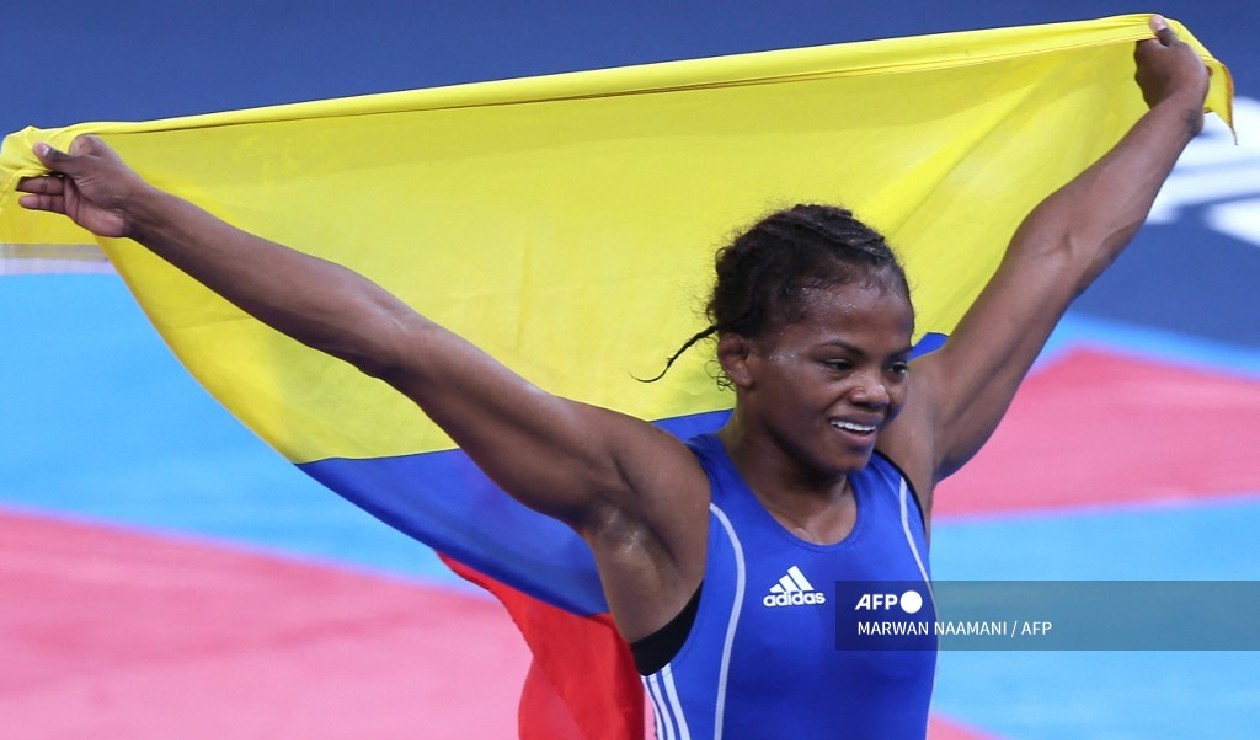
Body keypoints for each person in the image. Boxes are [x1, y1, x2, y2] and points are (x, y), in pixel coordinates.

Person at [16, 15, 1208, 739]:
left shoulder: (906, 457)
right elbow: (393, 338)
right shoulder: (656, 500)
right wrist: (150, 216)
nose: (877, 390)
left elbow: (1059, 254)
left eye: (893, 362)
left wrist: (1176, 111)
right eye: (837, 361)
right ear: (742, 360)